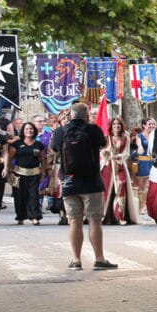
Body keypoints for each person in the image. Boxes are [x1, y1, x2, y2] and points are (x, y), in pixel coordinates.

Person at [50, 103, 116, 270]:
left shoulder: (60, 132)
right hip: (91, 181)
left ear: (70, 115)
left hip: (69, 182)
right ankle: (99, 259)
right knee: (95, 220)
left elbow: (54, 150)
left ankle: (76, 260)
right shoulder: (93, 130)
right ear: (87, 116)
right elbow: (103, 144)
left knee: (74, 221)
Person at [100, 117, 139, 225]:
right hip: (108, 167)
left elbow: (126, 153)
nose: (116, 126)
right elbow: (103, 152)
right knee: (108, 191)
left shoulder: (125, 138)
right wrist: (105, 153)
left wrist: (118, 156)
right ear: (111, 126)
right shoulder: (107, 138)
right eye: (114, 124)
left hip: (120, 166)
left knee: (121, 187)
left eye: (118, 124)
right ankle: (107, 216)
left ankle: (119, 215)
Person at [8, 121, 46, 224]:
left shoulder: (39, 145)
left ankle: (35, 217)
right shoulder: (17, 144)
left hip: (34, 174)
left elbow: (43, 160)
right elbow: (9, 158)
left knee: (34, 195)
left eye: (31, 129)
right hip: (18, 174)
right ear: (23, 131)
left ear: (34, 131)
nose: (29, 131)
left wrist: (43, 173)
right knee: (19, 196)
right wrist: (10, 172)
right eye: (26, 129)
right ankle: (20, 217)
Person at [134, 119, 155, 211]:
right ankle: (141, 206)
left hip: (153, 162)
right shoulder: (139, 136)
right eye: (149, 124)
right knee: (142, 184)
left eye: (153, 124)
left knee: (151, 185)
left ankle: (150, 206)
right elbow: (138, 144)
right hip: (143, 162)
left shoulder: (156, 135)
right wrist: (140, 147)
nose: (151, 126)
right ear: (144, 125)